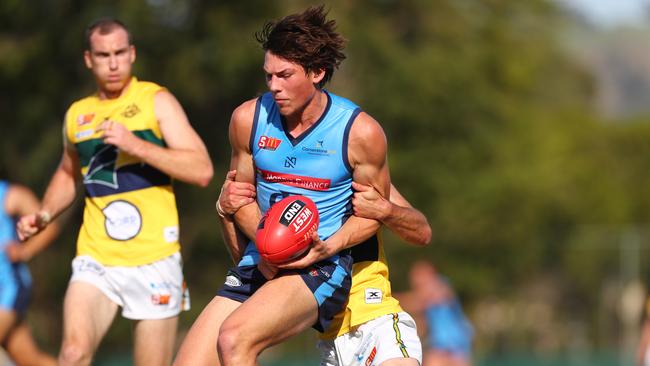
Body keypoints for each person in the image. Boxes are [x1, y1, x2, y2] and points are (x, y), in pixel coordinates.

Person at [174, 6, 397, 365]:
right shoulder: (248, 119)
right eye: (268, 76)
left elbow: (372, 215)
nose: (274, 86)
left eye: (285, 75)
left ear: (317, 72)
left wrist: (326, 248)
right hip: (261, 258)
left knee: (234, 338)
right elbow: (238, 199)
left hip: (321, 266)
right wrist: (268, 244)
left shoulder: (360, 132)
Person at [16, 18, 213, 366]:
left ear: (132, 54)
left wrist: (136, 145)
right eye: (103, 54)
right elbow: (67, 174)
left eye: (120, 53)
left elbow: (201, 170)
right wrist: (44, 215)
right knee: (73, 353)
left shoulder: (156, 101)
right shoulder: (78, 115)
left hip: (155, 259)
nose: (112, 63)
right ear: (88, 59)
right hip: (97, 258)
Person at [214, 171, 432, 365]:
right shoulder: (274, 193)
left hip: (376, 322)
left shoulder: (355, 174)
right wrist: (225, 213)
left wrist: (386, 211)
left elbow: (422, 232)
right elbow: (255, 269)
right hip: (331, 343)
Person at [0, 179, 59, 366]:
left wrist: (25, 251)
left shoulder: (12, 195)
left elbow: (49, 226)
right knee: (31, 361)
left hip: (9, 287)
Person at [399, 261, 473, 366]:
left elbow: (419, 301)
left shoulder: (441, 285)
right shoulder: (430, 302)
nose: (415, 281)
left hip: (456, 348)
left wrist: (390, 301)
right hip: (437, 348)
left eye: (418, 275)